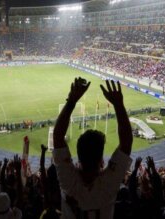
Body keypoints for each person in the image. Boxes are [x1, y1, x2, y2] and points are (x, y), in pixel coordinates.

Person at [53, 78, 133, 219]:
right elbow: (126, 142)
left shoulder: (68, 181)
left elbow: (58, 137)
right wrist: (119, 105)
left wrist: (72, 101)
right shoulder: (109, 184)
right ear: (101, 160)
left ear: (78, 157)